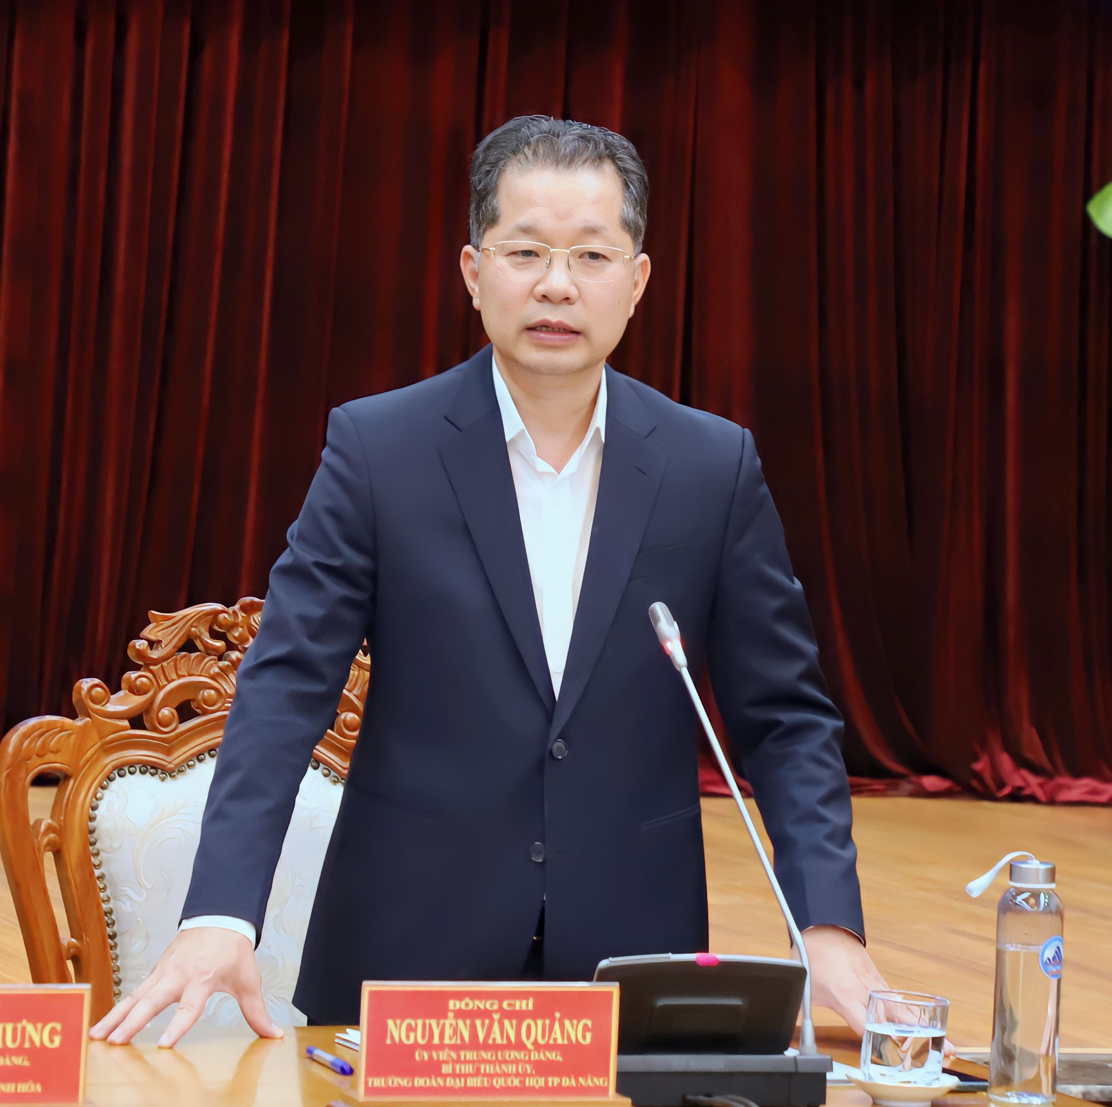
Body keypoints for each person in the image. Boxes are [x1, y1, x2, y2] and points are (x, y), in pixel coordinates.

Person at [92, 116, 887, 1048]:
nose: (557, 284)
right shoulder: (379, 449)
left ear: (635, 282)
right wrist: (221, 912)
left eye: (592, 254)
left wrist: (826, 928)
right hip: (404, 957)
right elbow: (284, 689)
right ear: (474, 273)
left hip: (629, 962)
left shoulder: (712, 468)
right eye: (527, 251)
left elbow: (786, 719)